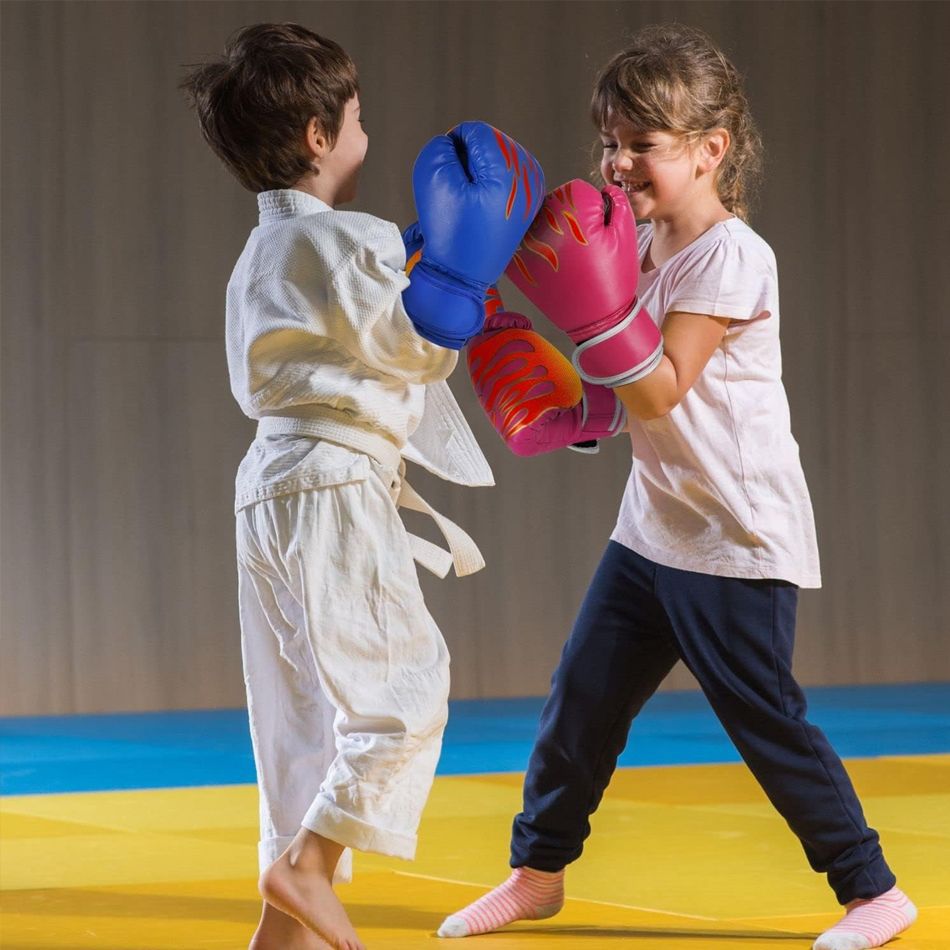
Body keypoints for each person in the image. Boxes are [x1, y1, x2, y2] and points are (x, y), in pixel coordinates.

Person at [442, 23, 916, 950]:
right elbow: (632, 406)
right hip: (654, 528)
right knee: (579, 701)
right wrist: (566, 410)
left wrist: (597, 322)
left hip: (735, 539)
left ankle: (874, 893)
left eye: (641, 146)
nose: (617, 165)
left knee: (764, 722)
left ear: (711, 150)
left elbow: (662, 383)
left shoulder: (734, 257)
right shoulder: (637, 248)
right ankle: (537, 873)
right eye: (609, 143)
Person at [181, 22, 541, 950]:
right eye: (357, 115)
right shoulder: (352, 238)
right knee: (404, 695)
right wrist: (455, 274)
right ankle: (302, 870)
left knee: (299, 728)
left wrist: (420, 262)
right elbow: (415, 347)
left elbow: (360, 331)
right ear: (316, 135)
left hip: (269, 485)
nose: (363, 129)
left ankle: (283, 935)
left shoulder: (263, 257)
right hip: (336, 481)